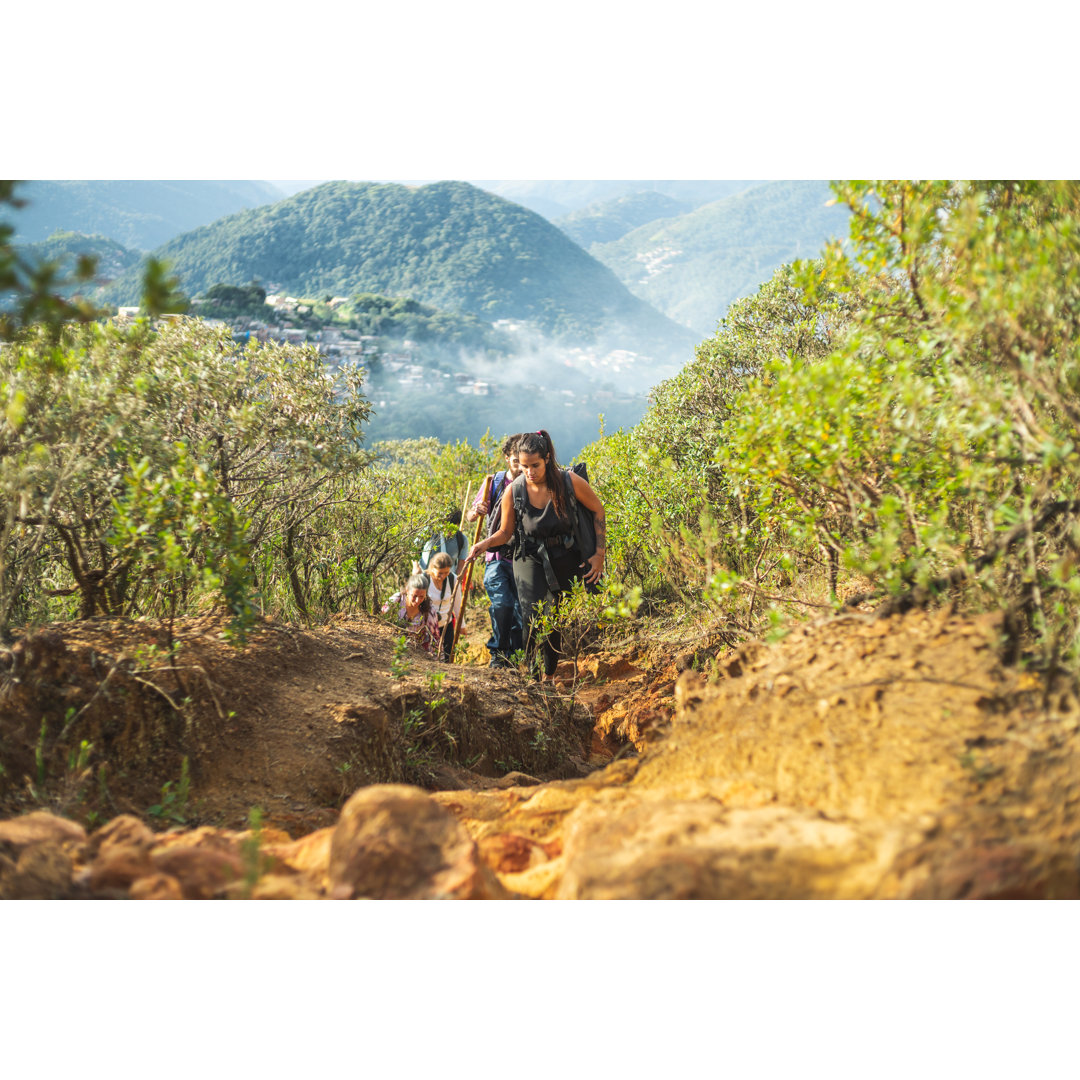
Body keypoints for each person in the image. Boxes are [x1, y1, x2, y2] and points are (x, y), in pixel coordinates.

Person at [465, 429, 606, 680]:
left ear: (548, 458)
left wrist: (599, 555)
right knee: (531, 614)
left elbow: (597, 510)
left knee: (554, 618)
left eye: (535, 465)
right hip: (528, 555)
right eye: (524, 465)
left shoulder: (569, 482)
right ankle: (532, 674)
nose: (529, 472)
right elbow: (506, 531)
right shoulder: (514, 490)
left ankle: (549, 676)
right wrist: (484, 544)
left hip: (564, 555)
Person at [465, 433, 524, 668]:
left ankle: (514, 658)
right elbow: (470, 516)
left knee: (520, 614)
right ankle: (498, 656)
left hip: (522, 558)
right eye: (516, 460)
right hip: (496, 557)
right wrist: (477, 509)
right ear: (506, 458)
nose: (520, 466)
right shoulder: (495, 482)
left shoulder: (530, 483)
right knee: (502, 605)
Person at [381, 572, 440, 656]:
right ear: (407, 590)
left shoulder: (429, 611)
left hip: (417, 653)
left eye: (421, 597)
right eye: (414, 596)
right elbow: (381, 619)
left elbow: (435, 639)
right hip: (391, 647)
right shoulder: (396, 601)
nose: (417, 600)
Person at [426, 552, 463, 661]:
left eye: (446, 572)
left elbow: (457, 603)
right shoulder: (424, 579)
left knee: (446, 658)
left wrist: (462, 625)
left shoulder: (453, 579)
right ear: (432, 568)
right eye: (440, 573)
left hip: (446, 625)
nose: (443, 576)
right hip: (428, 628)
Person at [419, 507, 469, 576]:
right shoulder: (429, 531)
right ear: (443, 523)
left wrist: (456, 581)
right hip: (426, 576)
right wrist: (415, 567)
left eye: (454, 528)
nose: (451, 531)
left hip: (447, 579)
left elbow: (461, 564)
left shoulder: (461, 539)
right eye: (448, 527)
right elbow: (414, 549)